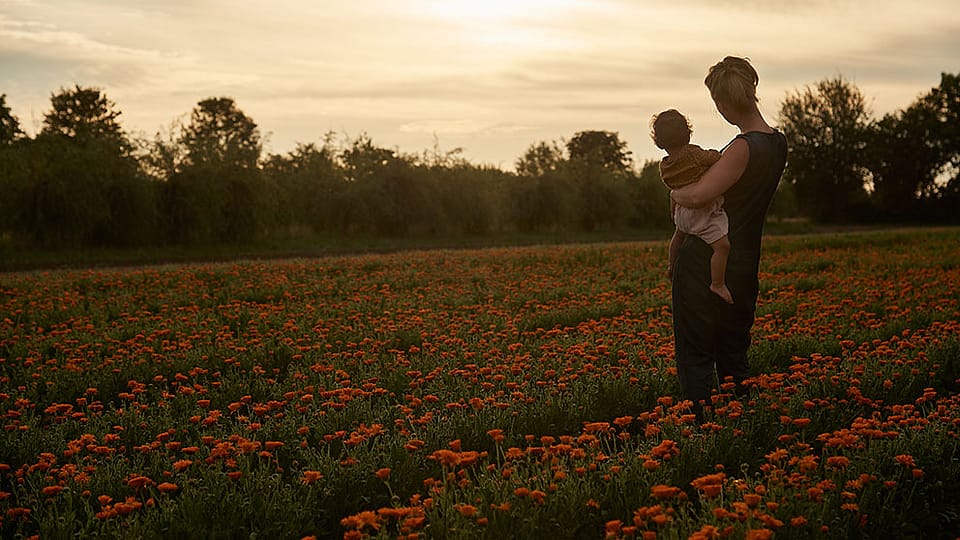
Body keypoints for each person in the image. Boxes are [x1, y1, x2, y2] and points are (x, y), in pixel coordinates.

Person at [669, 56, 788, 421]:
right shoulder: (778, 144)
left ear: (723, 104)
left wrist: (674, 194)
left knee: (696, 354)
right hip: (744, 261)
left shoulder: (741, 148)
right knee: (734, 351)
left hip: (703, 261)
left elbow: (699, 195)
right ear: (753, 92)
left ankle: (703, 430)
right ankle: (742, 424)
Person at [651, 109, 732, 304]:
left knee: (678, 236)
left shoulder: (665, 165)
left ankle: (672, 265)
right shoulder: (693, 154)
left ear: (659, 140)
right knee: (722, 247)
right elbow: (715, 159)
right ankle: (718, 283)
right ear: (686, 132)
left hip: (681, 213)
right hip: (701, 212)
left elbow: (672, 186)